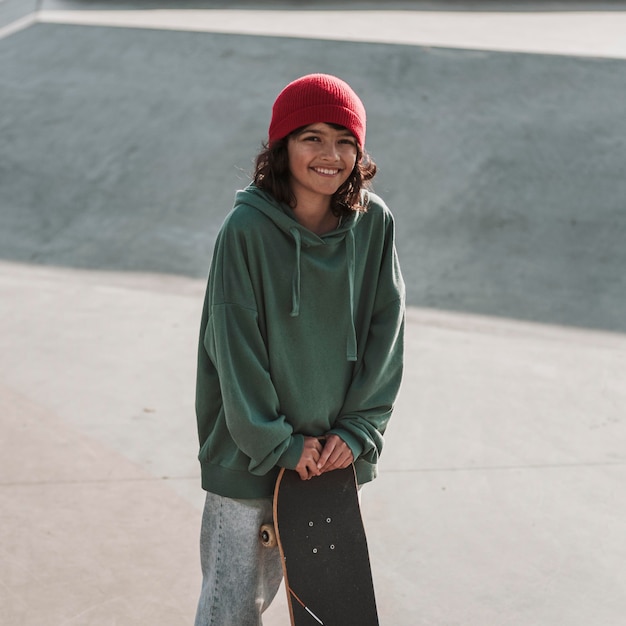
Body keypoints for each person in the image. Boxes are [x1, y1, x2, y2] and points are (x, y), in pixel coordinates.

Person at [194, 73, 405, 625]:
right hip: (250, 452)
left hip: (330, 459)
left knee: (328, 610)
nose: (329, 154)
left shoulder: (373, 223)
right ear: (281, 147)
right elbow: (233, 347)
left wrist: (359, 428)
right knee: (231, 609)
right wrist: (276, 441)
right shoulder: (245, 230)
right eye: (311, 137)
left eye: (344, 140)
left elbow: (388, 328)